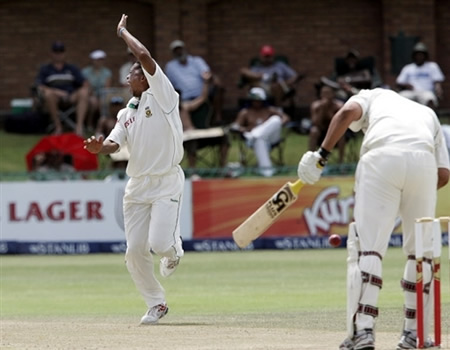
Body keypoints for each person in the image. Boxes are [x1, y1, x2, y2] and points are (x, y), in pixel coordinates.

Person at [297, 88, 450, 350]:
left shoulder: (373, 95)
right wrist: (408, 194)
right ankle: (414, 334)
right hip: (424, 163)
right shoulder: (427, 113)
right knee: (419, 253)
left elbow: (346, 113)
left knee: (369, 249)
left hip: (382, 156)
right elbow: (444, 174)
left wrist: (320, 156)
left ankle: (363, 331)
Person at [84, 14, 185, 325]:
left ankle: (174, 250)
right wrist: (100, 149)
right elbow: (116, 145)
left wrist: (122, 32)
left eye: (137, 73)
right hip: (137, 187)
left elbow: (143, 55)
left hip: (166, 181)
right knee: (134, 252)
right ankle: (156, 303)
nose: (133, 75)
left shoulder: (164, 95)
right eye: (131, 74)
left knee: (160, 245)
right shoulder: (125, 113)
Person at [231, 87, 290, 177]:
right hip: (254, 141)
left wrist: (277, 125)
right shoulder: (245, 112)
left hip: (272, 138)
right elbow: (235, 126)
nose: (257, 102)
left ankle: (254, 134)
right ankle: (267, 171)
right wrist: (242, 129)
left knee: (276, 119)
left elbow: (286, 117)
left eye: (259, 100)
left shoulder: (269, 110)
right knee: (259, 139)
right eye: (255, 100)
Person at [35, 41, 90, 136]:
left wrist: (77, 91)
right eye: (56, 52)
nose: (58, 54)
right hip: (54, 98)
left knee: (84, 92)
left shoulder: (72, 68)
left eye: (61, 52)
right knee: (48, 94)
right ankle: (58, 127)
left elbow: (84, 83)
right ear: (51, 54)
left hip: (71, 96)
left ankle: (79, 127)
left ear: (64, 53)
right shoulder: (45, 69)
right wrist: (56, 92)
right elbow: (39, 86)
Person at [165, 39, 224, 124]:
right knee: (184, 107)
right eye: (176, 50)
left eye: (180, 49)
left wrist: (210, 78)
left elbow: (207, 73)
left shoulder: (196, 61)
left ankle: (218, 118)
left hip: (203, 93)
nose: (179, 52)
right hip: (185, 97)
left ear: (184, 49)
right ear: (173, 52)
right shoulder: (170, 67)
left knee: (218, 87)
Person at [396, 42, 445, 110]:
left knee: (429, 99)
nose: (419, 57)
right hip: (411, 92)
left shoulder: (432, 66)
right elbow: (399, 82)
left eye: (421, 55)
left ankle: (429, 118)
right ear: (414, 56)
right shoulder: (408, 68)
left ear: (425, 56)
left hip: (426, 92)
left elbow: (437, 82)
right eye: (417, 55)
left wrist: (438, 90)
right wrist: (406, 85)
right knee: (401, 97)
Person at [308, 84, 345, 163]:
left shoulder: (339, 106)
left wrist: (329, 112)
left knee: (341, 134)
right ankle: (311, 160)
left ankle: (340, 161)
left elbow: (338, 122)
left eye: (328, 93)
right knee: (313, 131)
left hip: (334, 133)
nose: (326, 96)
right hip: (321, 133)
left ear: (333, 94)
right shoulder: (316, 106)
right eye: (324, 93)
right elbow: (315, 123)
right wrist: (322, 110)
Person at [82, 49, 112, 132]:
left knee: (103, 102)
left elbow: (107, 88)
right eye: (97, 60)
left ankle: (102, 125)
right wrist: (93, 95)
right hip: (90, 95)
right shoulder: (85, 72)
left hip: (103, 95)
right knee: (93, 102)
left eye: (101, 60)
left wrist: (101, 97)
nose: (99, 62)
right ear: (92, 60)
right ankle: (89, 123)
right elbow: (86, 86)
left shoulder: (107, 72)